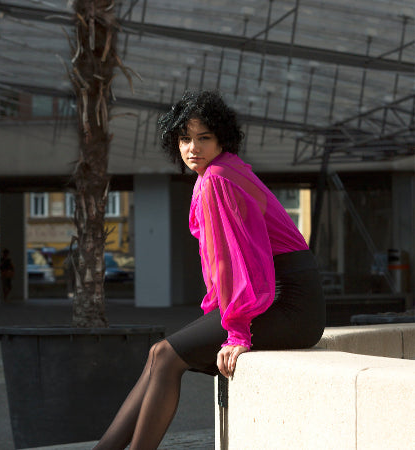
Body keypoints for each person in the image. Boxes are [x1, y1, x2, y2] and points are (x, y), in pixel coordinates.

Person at [94, 90, 326, 450]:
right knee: (158, 354)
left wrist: (237, 332)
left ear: (222, 139)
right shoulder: (221, 170)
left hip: (288, 304)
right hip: (280, 297)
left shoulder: (218, 177)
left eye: (204, 138)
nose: (193, 148)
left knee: (166, 356)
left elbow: (238, 259)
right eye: (185, 139)